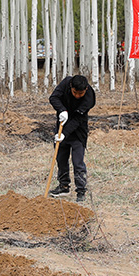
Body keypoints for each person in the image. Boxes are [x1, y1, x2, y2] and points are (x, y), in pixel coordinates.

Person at [48, 74, 96, 202]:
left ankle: (81, 191)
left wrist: (65, 134)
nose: (77, 96)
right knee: (61, 159)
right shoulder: (66, 83)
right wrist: (62, 110)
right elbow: (53, 98)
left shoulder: (89, 97)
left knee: (78, 162)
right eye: (75, 92)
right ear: (71, 87)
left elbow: (78, 119)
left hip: (78, 133)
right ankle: (63, 186)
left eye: (81, 93)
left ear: (86, 89)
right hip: (61, 126)